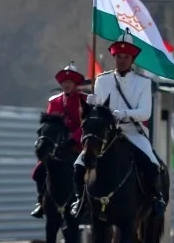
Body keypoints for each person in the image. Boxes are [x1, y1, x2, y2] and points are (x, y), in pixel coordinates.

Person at [71, 32, 166, 218]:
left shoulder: (143, 83)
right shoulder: (102, 80)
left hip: (132, 132)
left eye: (126, 57)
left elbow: (145, 112)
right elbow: (98, 109)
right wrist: (92, 104)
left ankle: (156, 198)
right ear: (114, 57)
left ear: (132, 60)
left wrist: (124, 114)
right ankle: (80, 200)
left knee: (152, 163)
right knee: (79, 164)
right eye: (119, 57)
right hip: (106, 134)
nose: (122, 61)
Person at [32, 63, 90, 218]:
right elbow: (50, 124)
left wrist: (73, 140)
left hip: (79, 146)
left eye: (70, 82)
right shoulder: (54, 101)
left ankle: (85, 201)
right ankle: (41, 202)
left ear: (75, 84)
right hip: (57, 147)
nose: (66, 85)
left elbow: (86, 125)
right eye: (64, 82)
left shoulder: (85, 100)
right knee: (38, 172)